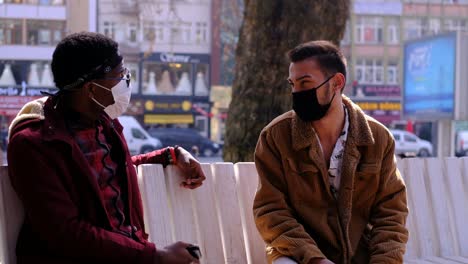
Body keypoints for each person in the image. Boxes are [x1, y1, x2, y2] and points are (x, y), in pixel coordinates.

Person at [7, 32, 205, 264]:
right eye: (119, 76)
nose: (126, 82)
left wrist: (170, 155)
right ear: (91, 89)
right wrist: (156, 256)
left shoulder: (103, 122)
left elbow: (106, 172)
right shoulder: (33, 144)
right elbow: (65, 233)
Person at [253, 40, 408, 264]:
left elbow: (391, 213)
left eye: (305, 83)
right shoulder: (276, 137)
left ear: (336, 82)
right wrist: (316, 260)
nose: (297, 92)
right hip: (297, 256)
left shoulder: (377, 138)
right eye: (293, 84)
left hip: (361, 256)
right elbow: (271, 211)